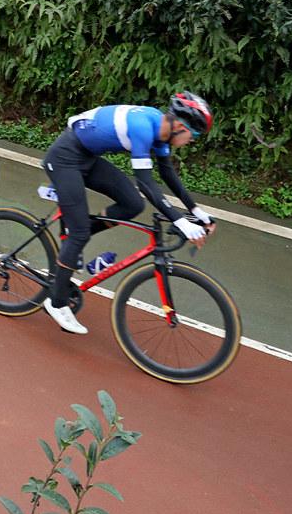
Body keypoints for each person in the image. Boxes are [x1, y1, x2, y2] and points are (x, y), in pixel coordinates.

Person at [38, 93, 217, 335]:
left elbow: (167, 174)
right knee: (80, 232)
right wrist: (180, 220)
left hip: (87, 157)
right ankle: (56, 302)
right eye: (193, 136)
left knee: (133, 203)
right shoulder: (143, 128)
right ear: (179, 126)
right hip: (65, 157)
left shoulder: (162, 131)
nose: (192, 141)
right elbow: (145, 183)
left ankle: (75, 234)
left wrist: (195, 210)